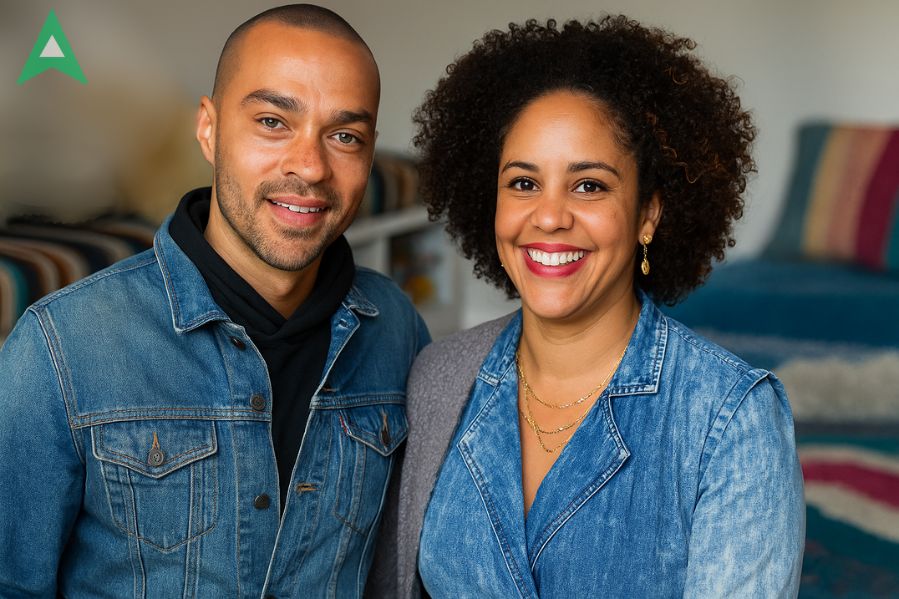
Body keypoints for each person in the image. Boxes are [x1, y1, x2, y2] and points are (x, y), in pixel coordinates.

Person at [367, 16, 804, 599]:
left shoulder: (731, 421)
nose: (549, 217)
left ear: (648, 214)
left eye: (589, 185)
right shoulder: (439, 378)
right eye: (523, 183)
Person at [0, 5, 428, 597]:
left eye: (344, 136)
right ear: (208, 129)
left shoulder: (396, 330)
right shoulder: (60, 347)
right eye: (273, 122)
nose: (310, 167)